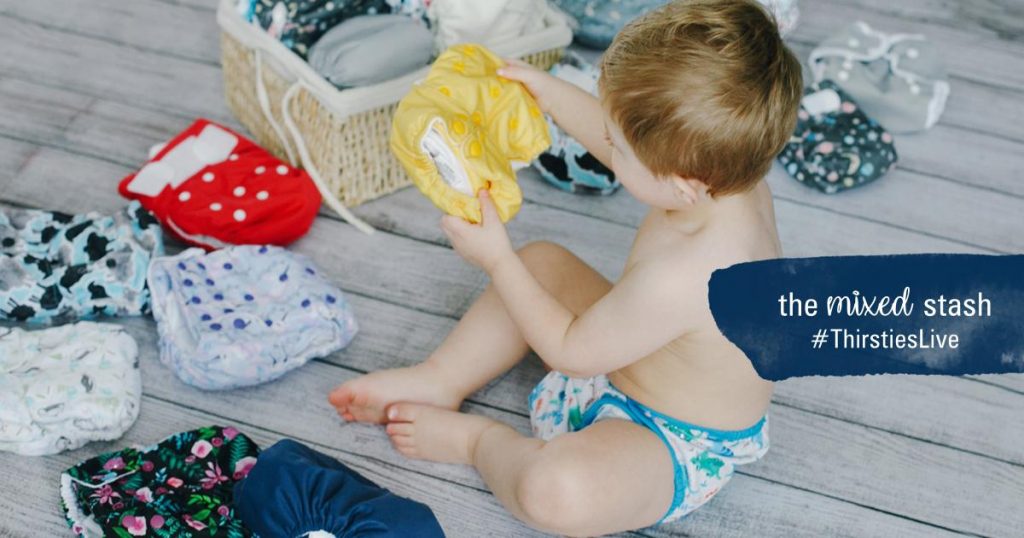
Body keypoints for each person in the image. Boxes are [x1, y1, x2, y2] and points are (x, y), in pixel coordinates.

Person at [329, 0, 802, 534]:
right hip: (629, 347)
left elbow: (571, 353)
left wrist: (496, 258)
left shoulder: (694, 272)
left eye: (617, 150)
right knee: (544, 264)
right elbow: (615, 131)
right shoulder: (724, 172)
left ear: (682, 184)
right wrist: (543, 90)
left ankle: (477, 441)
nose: (606, 148)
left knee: (555, 492)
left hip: (671, 434)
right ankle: (440, 378)